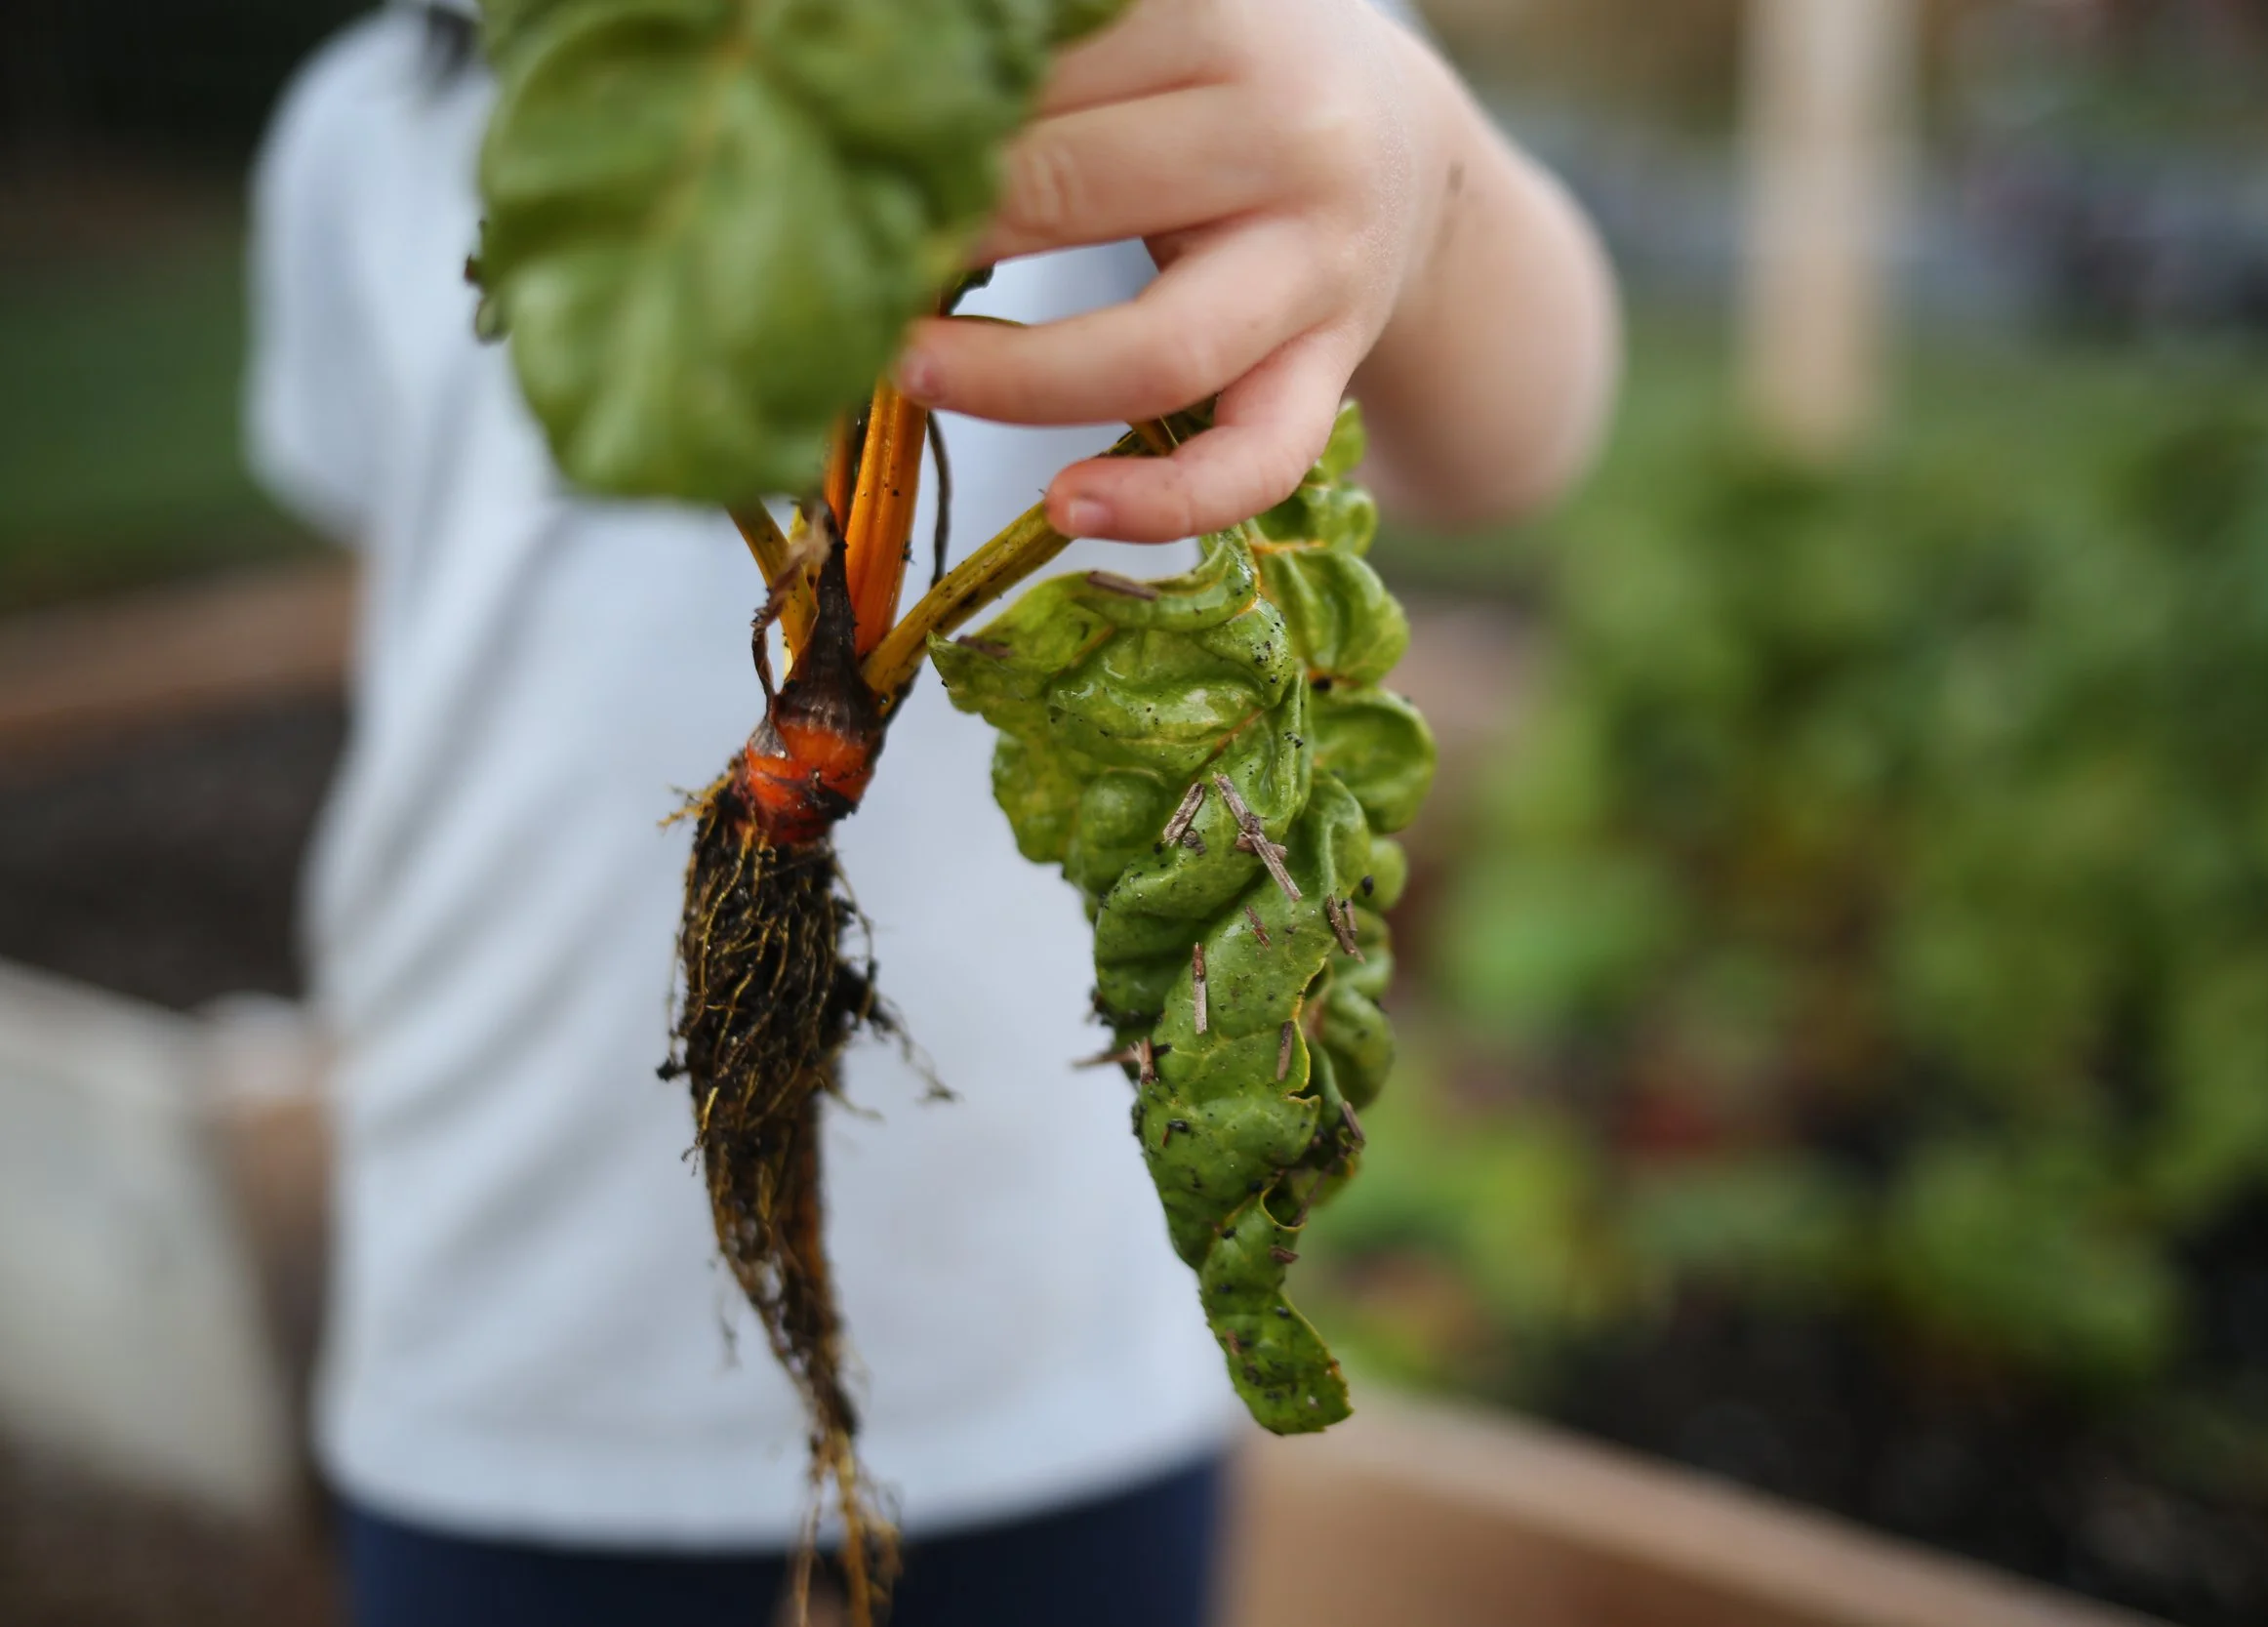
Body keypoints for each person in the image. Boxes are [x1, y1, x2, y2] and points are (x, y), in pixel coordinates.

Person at [244, 2, 1618, 1623]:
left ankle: (825, 1389)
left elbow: (1520, 437)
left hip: (1046, 1363)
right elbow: (407, 637)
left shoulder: (1156, 50)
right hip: (491, 1329)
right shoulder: (373, 125)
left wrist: (1425, 166)